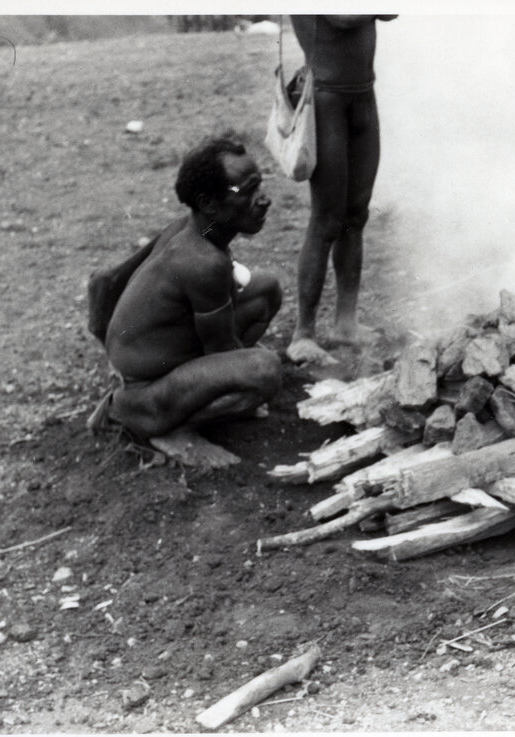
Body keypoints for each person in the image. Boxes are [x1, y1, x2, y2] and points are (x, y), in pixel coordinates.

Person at [89, 133, 283, 467]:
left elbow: (106, 281)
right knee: (265, 371)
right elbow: (221, 349)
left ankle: (177, 403)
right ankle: (167, 427)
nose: (263, 200)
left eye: (259, 186)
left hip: (156, 363)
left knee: (266, 290)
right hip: (147, 390)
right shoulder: (204, 262)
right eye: (247, 191)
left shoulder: (195, 230)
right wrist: (249, 375)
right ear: (209, 203)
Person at [285, 14, 398, 365]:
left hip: (362, 94)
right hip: (326, 97)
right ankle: (303, 334)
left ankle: (345, 323)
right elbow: (344, 17)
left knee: (356, 215)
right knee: (327, 220)